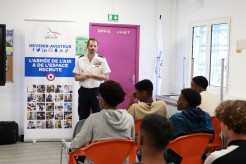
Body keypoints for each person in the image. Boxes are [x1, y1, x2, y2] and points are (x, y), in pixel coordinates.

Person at [70, 80, 135, 164]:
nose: (98, 99)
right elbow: (131, 143)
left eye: (99, 97)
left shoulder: (93, 119)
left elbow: (75, 145)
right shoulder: (129, 118)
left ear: (103, 101)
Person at [164, 88, 214, 163]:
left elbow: (165, 138)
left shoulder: (176, 119)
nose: (177, 101)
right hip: (199, 157)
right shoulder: (206, 116)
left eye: (179, 99)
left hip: (176, 159)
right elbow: (211, 139)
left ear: (186, 104)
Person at [73, 38, 111, 120]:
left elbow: (106, 77)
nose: (92, 48)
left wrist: (93, 76)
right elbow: (76, 77)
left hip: (97, 91)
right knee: (83, 116)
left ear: (97, 47)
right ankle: (84, 132)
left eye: (95, 46)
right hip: (83, 91)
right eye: (91, 46)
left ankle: (97, 133)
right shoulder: (80, 59)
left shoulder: (101, 59)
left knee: (98, 116)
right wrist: (84, 77)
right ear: (87, 47)